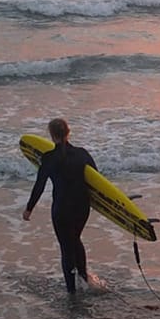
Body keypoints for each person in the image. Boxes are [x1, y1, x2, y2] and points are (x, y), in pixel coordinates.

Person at [23, 118, 98, 293]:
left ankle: (71, 291)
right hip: (82, 208)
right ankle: (84, 279)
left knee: (66, 247)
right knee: (75, 239)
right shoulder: (82, 154)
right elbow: (96, 181)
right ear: (68, 132)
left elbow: (39, 185)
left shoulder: (49, 158)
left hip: (62, 209)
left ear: (51, 134)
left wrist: (29, 208)